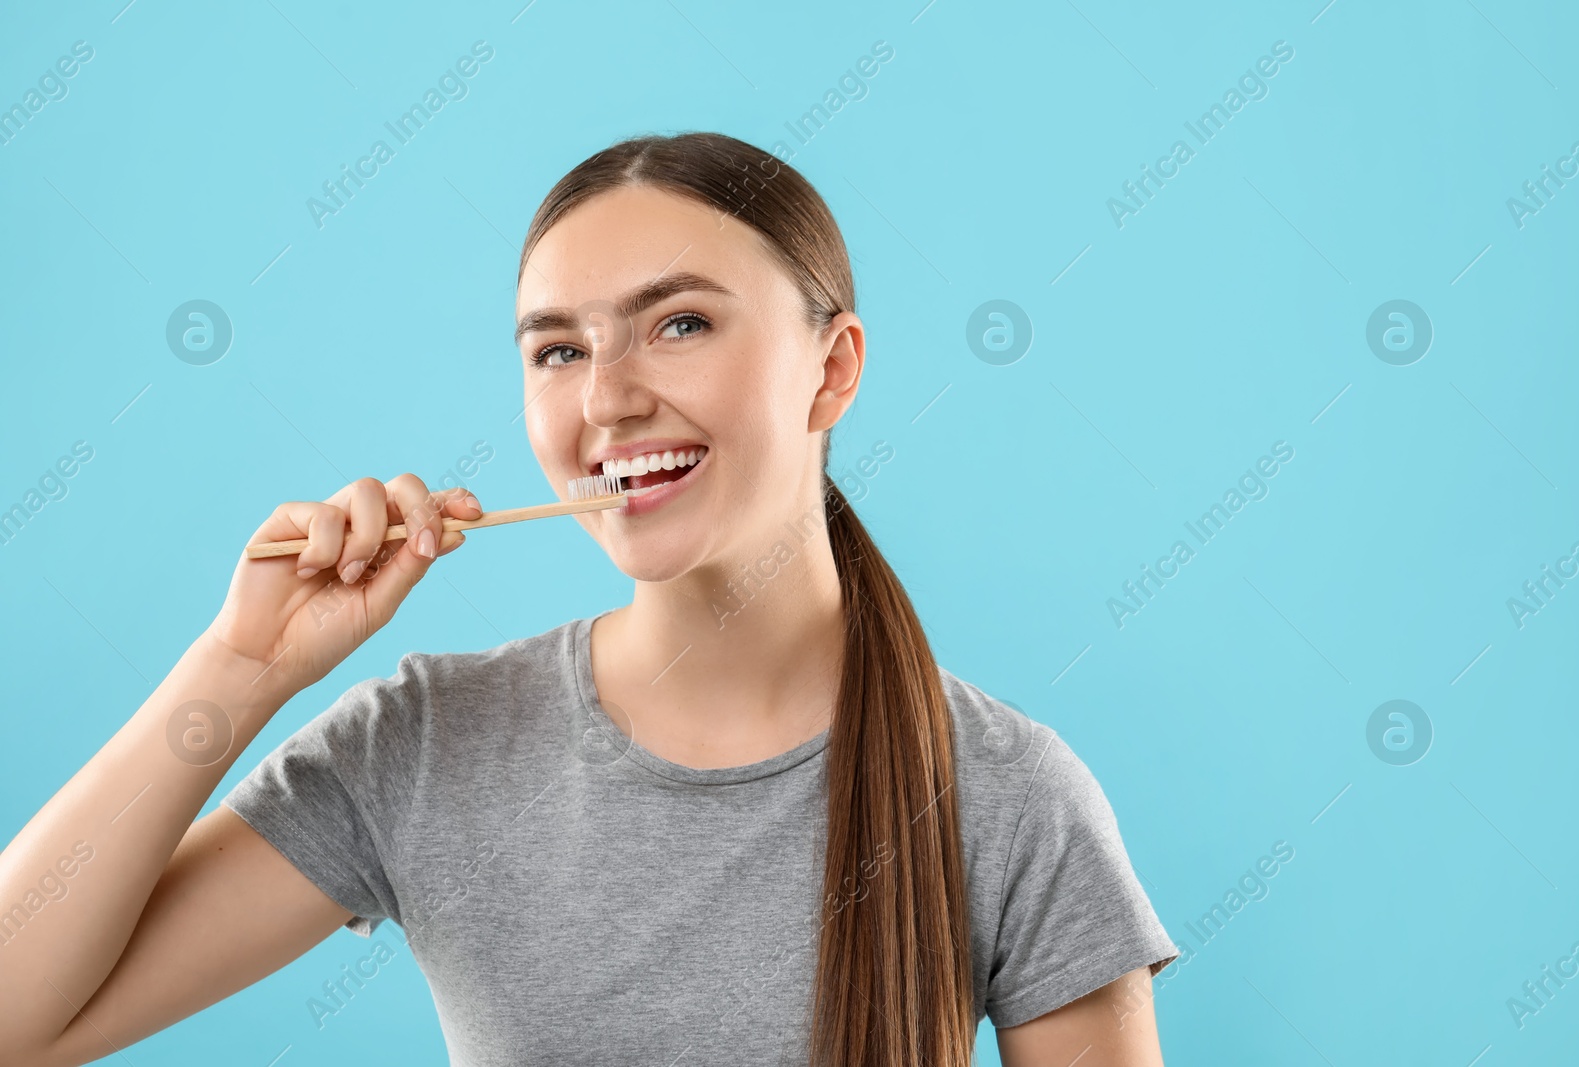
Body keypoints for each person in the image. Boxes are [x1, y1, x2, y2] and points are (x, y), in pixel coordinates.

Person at [0, 132, 1177, 1067]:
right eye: (557, 350)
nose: (607, 400)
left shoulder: (1011, 795)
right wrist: (240, 666)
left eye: (681, 323)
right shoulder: (421, 745)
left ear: (831, 368)